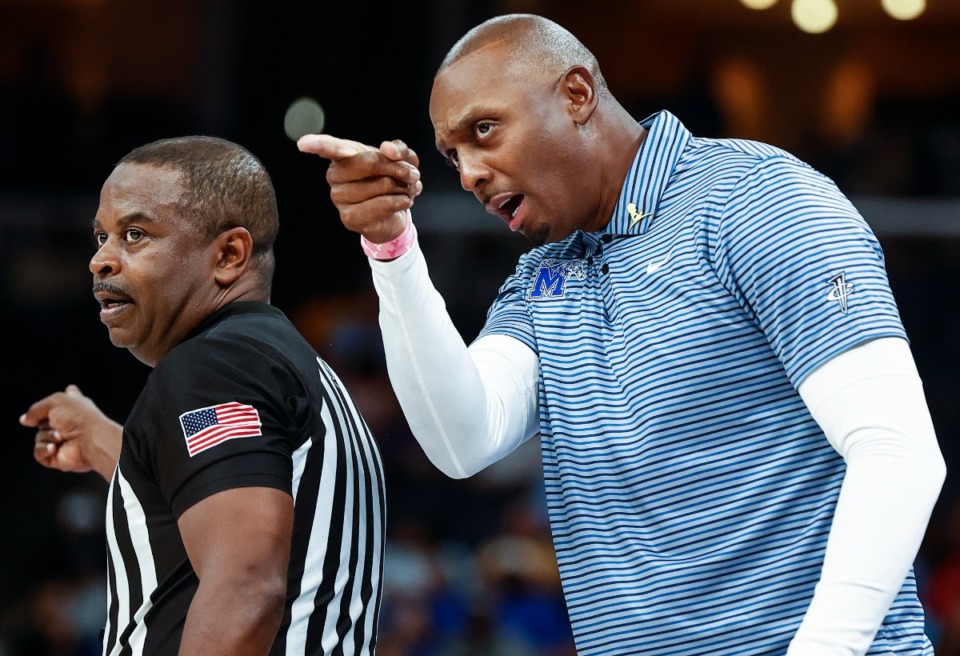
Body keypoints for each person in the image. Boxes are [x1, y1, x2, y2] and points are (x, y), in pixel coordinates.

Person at [295, 12, 948, 656]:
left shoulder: (754, 198)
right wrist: (393, 251)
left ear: (576, 94)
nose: (468, 174)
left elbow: (897, 450)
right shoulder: (543, 277)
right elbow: (462, 440)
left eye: (485, 130)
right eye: (452, 155)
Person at [19, 136, 386, 655]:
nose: (100, 260)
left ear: (229, 254)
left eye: (135, 234)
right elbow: (213, 495)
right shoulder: (289, 365)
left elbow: (246, 588)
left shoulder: (215, 368)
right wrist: (101, 439)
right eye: (101, 236)